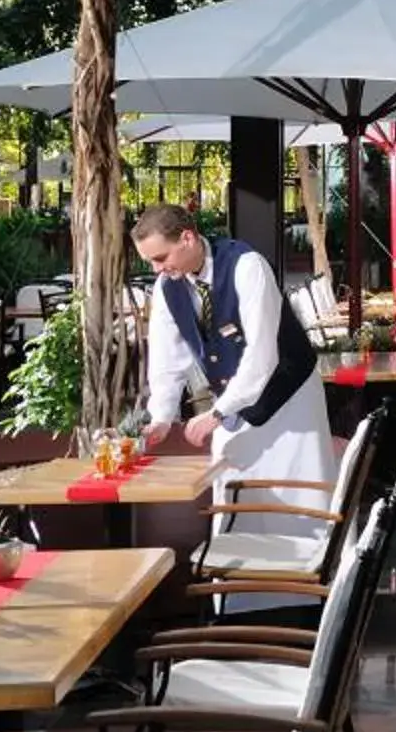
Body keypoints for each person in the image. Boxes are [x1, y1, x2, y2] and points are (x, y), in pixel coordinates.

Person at [132, 203, 338, 508]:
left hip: (290, 398)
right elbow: (166, 359)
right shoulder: (167, 287)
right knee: (233, 495)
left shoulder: (247, 265)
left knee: (302, 499)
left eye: (161, 258)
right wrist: (162, 417)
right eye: (150, 261)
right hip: (234, 406)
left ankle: (315, 541)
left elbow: (262, 354)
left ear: (187, 238)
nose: (156, 269)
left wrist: (218, 412)